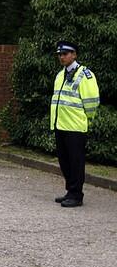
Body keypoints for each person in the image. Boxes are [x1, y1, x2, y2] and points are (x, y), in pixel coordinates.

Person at [51, 41, 100, 207]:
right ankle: (70, 191)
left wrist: (87, 118)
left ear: (74, 55)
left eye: (65, 54)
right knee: (65, 161)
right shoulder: (60, 75)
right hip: (60, 125)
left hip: (75, 127)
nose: (62, 57)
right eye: (60, 54)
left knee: (76, 162)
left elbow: (92, 101)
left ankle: (76, 195)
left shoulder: (85, 74)